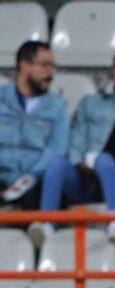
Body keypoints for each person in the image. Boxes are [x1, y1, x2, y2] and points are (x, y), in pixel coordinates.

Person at [30, 48, 115, 246]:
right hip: (87, 178)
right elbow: (76, 138)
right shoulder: (91, 103)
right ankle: (47, 224)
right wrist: (80, 164)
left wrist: (112, 168)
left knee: (104, 160)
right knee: (57, 162)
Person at [0, 41, 67, 210]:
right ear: (25, 66)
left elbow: (57, 148)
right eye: (45, 65)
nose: (50, 72)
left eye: (52, 66)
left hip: (36, 180)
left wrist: (30, 176)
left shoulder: (58, 106)